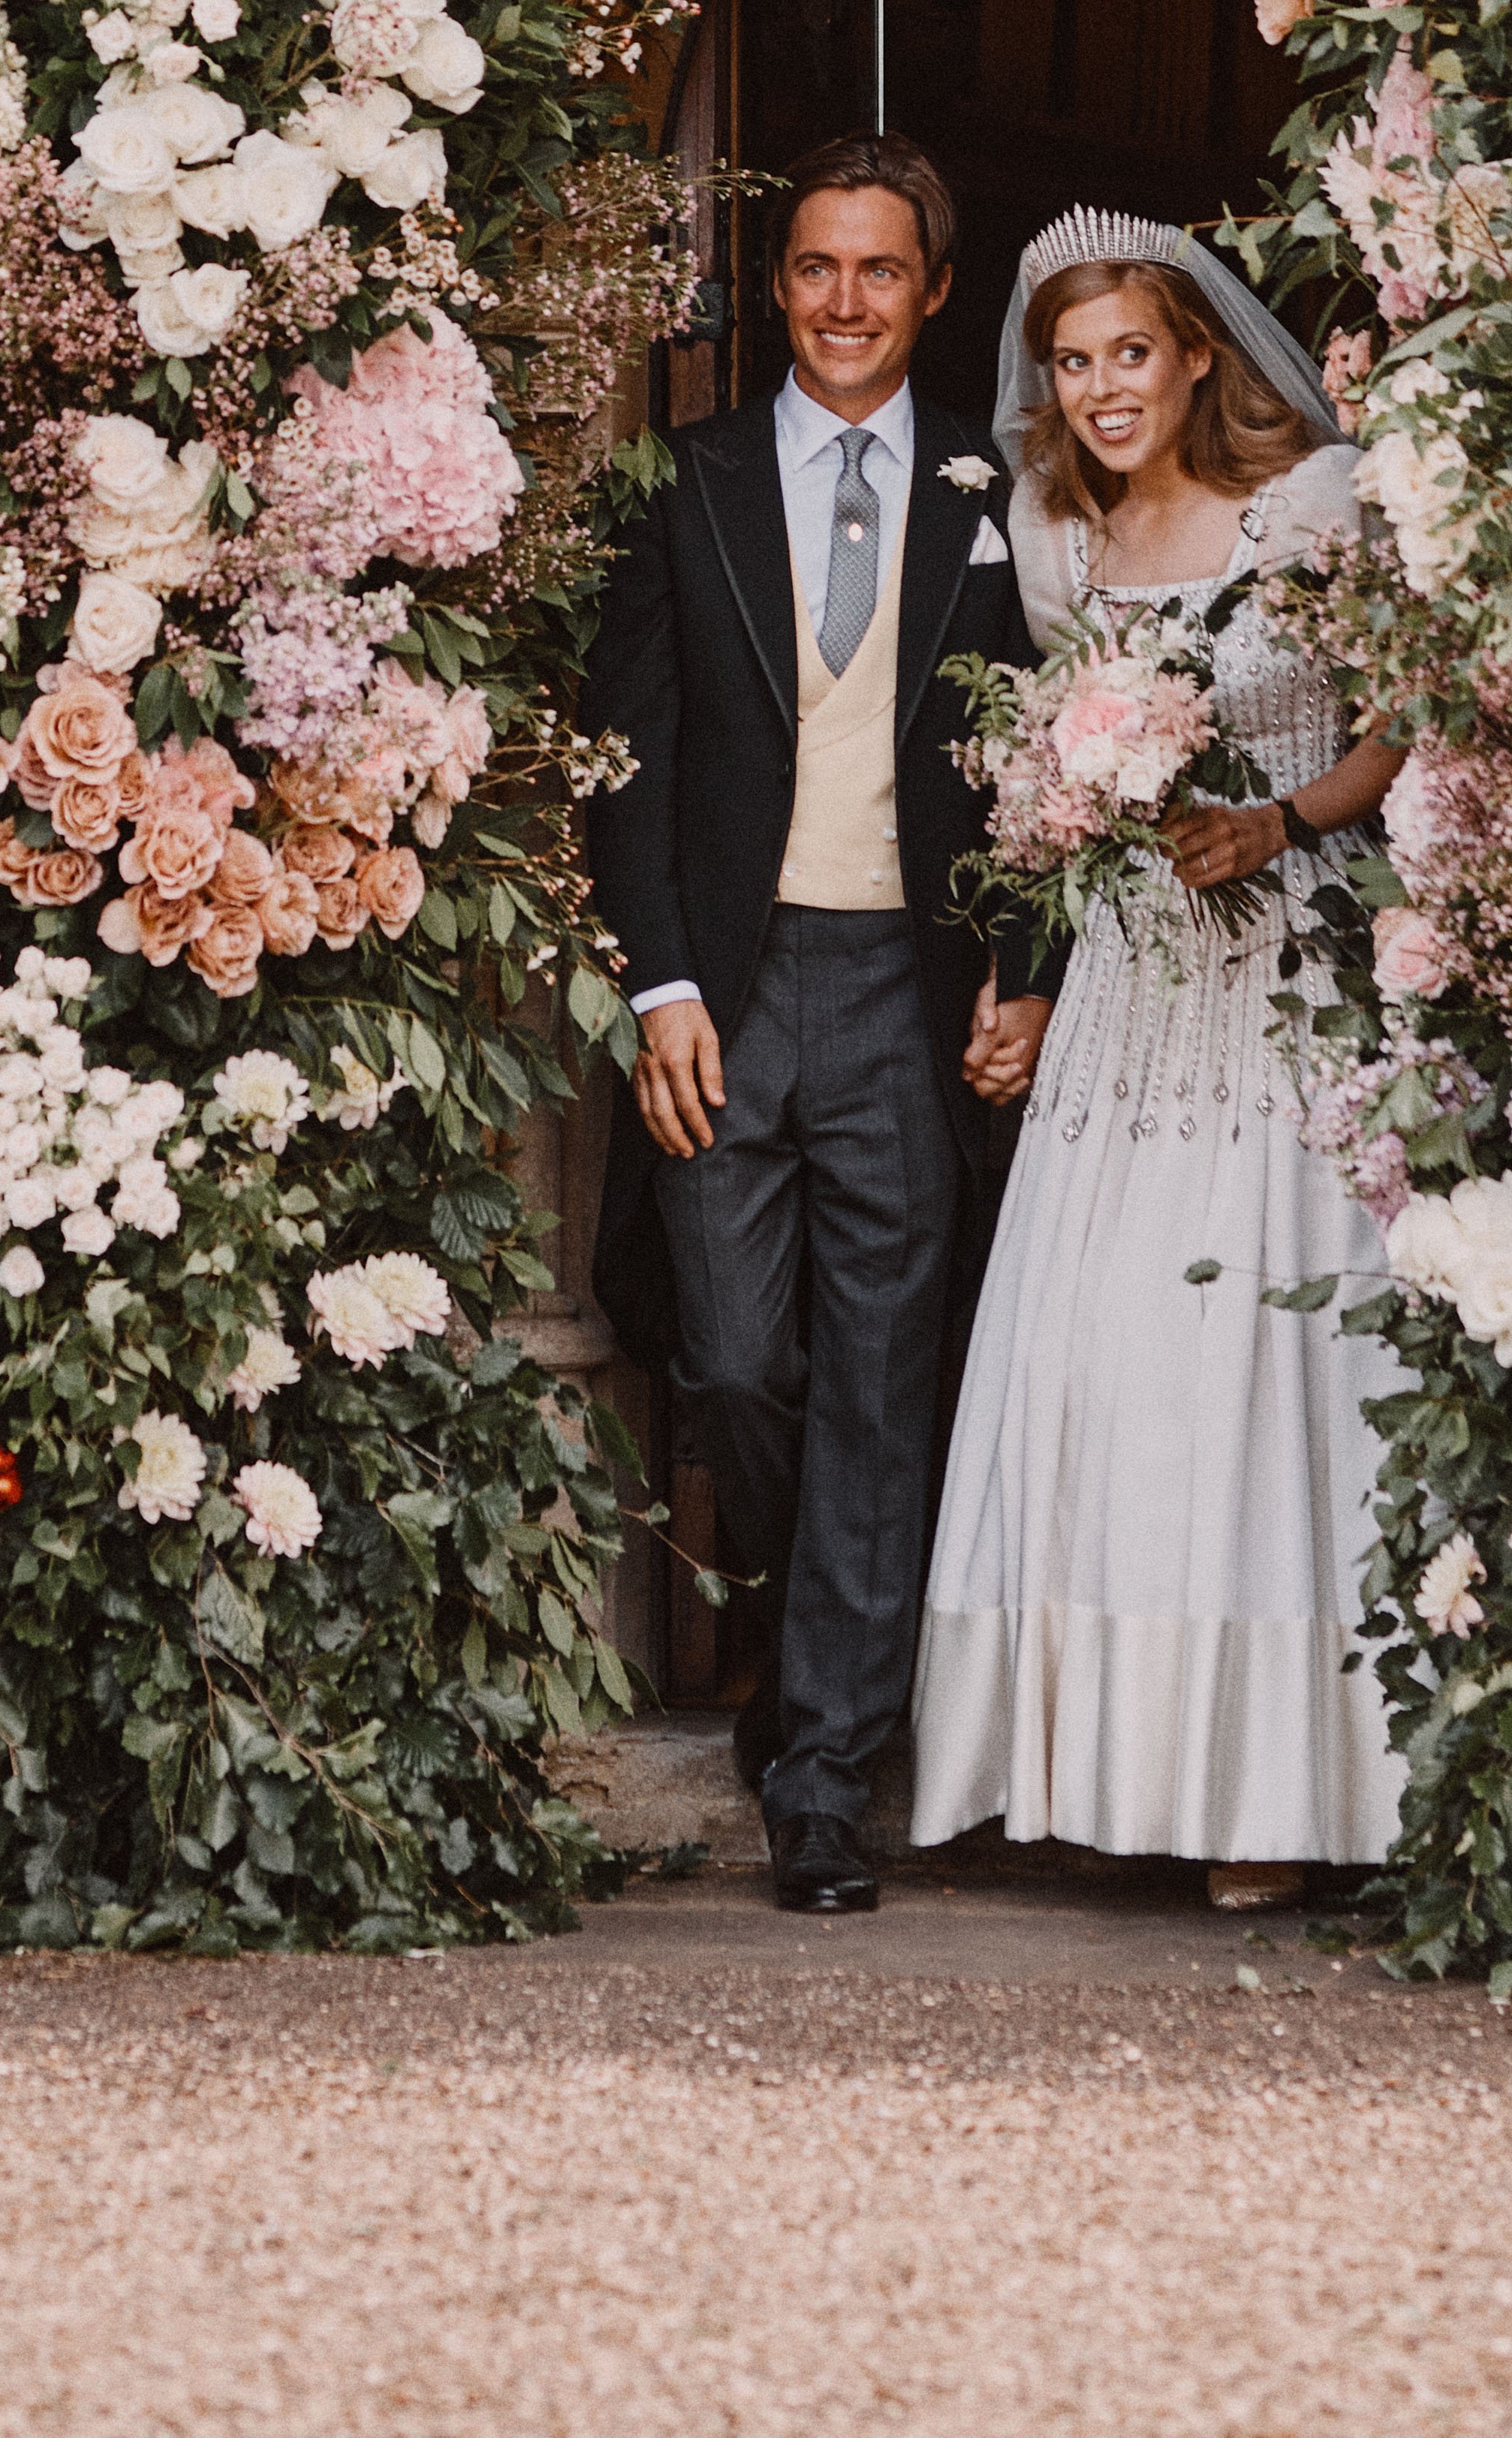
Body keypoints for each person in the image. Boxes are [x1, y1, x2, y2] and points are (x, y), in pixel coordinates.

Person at [910, 207, 1406, 1904]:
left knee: (1269, 1366)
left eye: (1131, 351)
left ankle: (1280, 1792)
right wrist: (1027, 970)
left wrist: (1276, 815)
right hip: (1129, 993)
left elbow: (1396, 721)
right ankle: (1106, 1765)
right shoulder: (1055, 541)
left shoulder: (1311, 508)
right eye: (1072, 362)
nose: (1103, 388)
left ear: (1198, 353)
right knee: (1109, 1357)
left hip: (1288, 967)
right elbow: (1048, 803)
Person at [584, 133, 1041, 1915]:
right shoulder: (682, 483)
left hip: (905, 998)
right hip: (730, 986)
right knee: (733, 1365)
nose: (843, 303)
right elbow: (624, 759)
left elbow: (1046, 763)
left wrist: (1021, 964)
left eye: (879, 272)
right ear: (774, 289)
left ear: (932, 291)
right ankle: (800, 1646)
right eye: (812, 271)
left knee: (877, 1385)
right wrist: (660, 982)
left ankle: (827, 1778)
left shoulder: (994, 495)